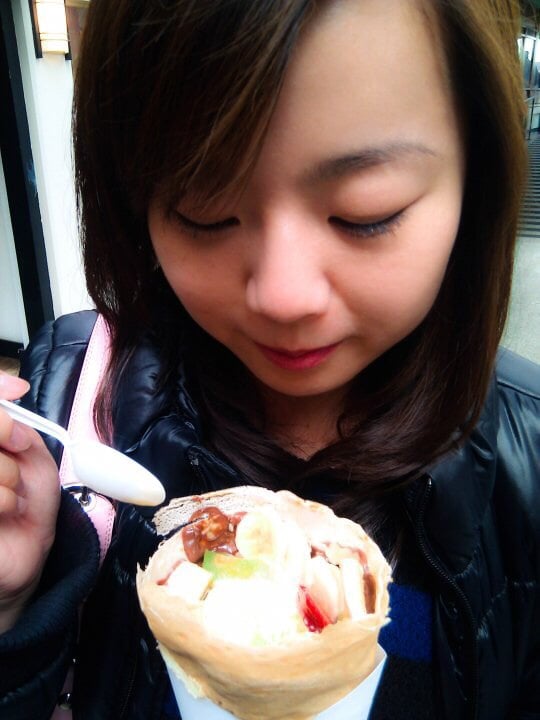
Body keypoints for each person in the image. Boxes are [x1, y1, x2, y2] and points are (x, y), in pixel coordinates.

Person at [0, 0, 538, 718]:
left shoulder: (528, 466)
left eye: (365, 212)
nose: (284, 298)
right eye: (205, 213)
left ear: (479, 175)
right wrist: (14, 613)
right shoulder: (66, 409)